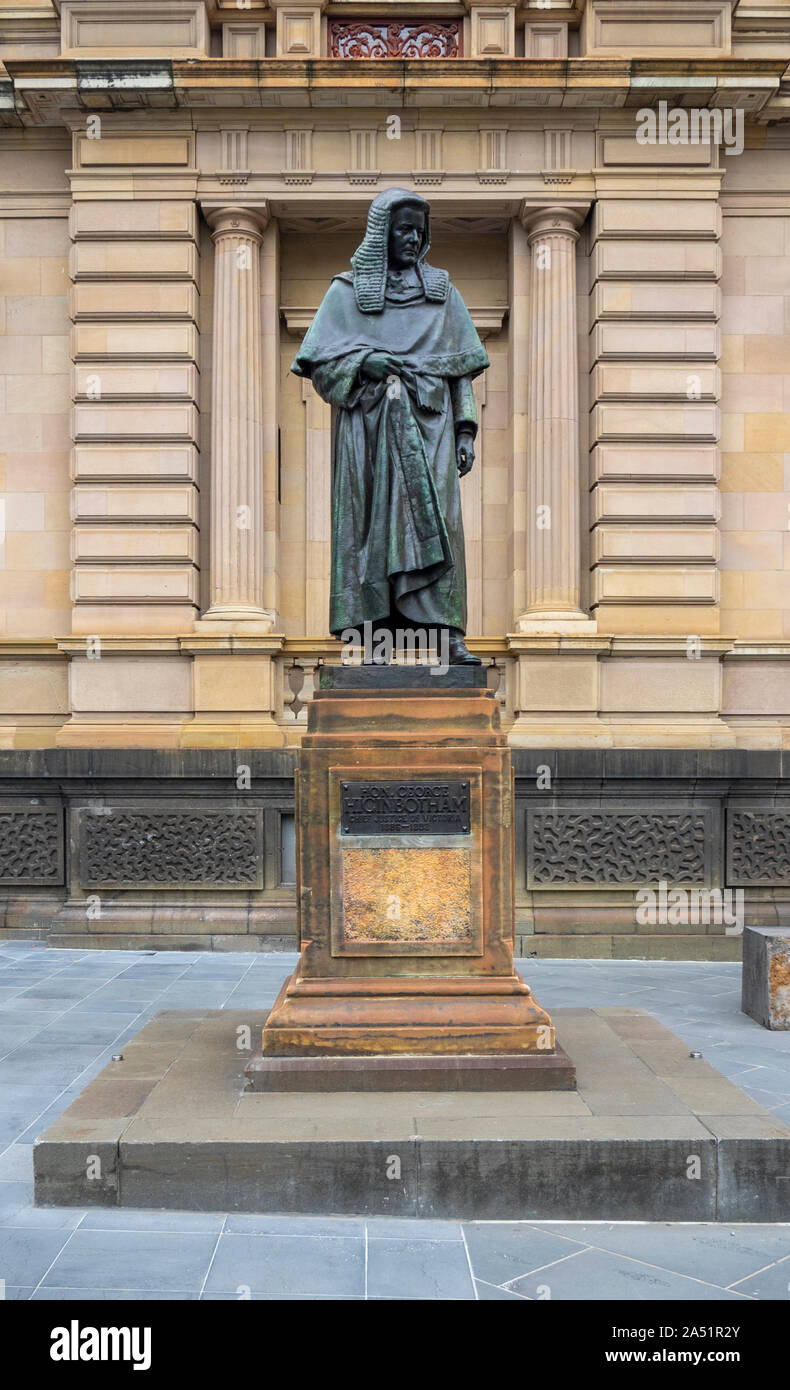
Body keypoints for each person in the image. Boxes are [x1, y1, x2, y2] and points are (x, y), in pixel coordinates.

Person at [291, 187, 489, 664]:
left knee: (439, 521)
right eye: (403, 229)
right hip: (368, 430)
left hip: (432, 429)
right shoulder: (346, 292)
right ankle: (370, 636)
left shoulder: (443, 294)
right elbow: (320, 365)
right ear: (382, 233)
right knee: (369, 530)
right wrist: (365, 361)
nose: (412, 239)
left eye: (418, 232)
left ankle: (445, 635)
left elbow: (456, 366)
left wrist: (465, 430)